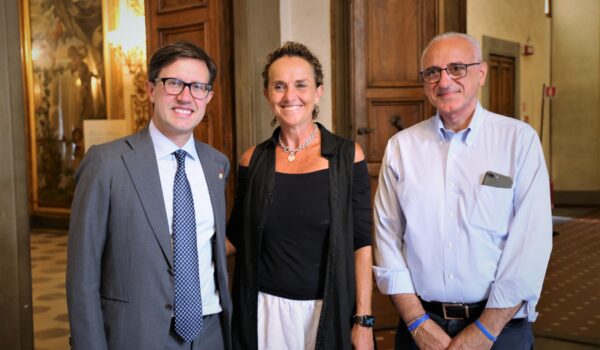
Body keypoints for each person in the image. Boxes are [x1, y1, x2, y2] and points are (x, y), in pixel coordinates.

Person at [373, 32, 552, 349]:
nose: (444, 81)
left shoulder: (518, 142)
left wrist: (486, 329)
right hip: (420, 327)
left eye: (456, 68)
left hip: (502, 330)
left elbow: (530, 244)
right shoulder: (401, 147)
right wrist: (417, 323)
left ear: (481, 72)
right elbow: (386, 238)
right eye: (432, 72)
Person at [67, 41, 232, 350]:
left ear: (208, 97)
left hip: (212, 333)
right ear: (150, 89)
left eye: (198, 87)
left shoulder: (216, 165)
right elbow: (82, 275)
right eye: (174, 83)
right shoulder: (106, 163)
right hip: (137, 335)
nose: (186, 96)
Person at [227, 41, 375, 350]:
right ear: (268, 94)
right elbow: (236, 237)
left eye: (301, 85)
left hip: (326, 311)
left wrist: (364, 319)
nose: (289, 96)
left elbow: (361, 243)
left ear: (318, 92)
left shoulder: (348, 157)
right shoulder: (252, 161)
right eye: (279, 86)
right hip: (264, 313)